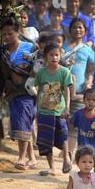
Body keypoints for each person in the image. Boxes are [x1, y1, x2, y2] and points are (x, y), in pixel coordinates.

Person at [0, 16, 37, 171]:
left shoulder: (31, 48)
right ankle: (32, 158)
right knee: (23, 123)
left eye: (10, 33)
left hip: (28, 92)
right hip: (11, 94)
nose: (7, 37)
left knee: (23, 122)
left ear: (18, 32)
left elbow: (40, 69)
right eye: (4, 34)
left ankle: (22, 158)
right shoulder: (2, 54)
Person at [34, 42, 73, 176]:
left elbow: (67, 91)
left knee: (62, 136)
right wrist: (36, 108)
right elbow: (38, 90)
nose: (54, 58)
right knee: (45, 141)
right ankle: (51, 167)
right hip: (44, 112)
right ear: (45, 56)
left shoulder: (64, 72)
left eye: (57, 55)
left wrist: (67, 108)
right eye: (51, 55)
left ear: (60, 55)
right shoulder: (41, 73)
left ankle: (66, 158)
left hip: (59, 111)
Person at [63, 18, 95, 156]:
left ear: (85, 31)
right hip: (60, 90)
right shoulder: (62, 47)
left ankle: (69, 152)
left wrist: (88, 82)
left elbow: (90, 70)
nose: (77, 30)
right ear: (70, 30)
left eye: (80, 28)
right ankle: (63, 149)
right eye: (75, 27)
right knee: (61, 121)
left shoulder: (88, 51)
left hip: (78, 91)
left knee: (74, 123)